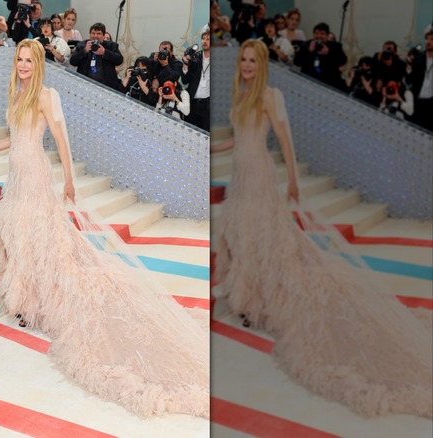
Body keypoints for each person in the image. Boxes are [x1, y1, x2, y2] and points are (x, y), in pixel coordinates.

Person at [0, 38, 209, 418]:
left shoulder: (46, 95)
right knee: (19, 238)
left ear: (39, 63)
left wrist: (70, 180)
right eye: (20, 59)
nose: (23, 65)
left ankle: (41, 301)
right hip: (16, 176)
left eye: (29, 60)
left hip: (36, 177)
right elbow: (12, 140)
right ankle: (28, 303)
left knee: (41, 239)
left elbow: (60, 139)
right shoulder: (16, 93)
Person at [212, 39, 432, 418]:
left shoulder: (270, 94)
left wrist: (294, 181)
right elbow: (237, 139)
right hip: (241, 177)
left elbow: (285, 140)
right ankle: (250, 302)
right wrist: (212, 147)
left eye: (252, 61)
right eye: (243, 60)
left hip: (261, 178)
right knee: (242, 237)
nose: (246, 66)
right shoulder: (241, 93)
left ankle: (262, 302)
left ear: (262, 63)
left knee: (266, 239)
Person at [69, 22, 123, 91]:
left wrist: (104, 52)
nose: (95, 36)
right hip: (85, 85)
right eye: (93, 33)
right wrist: (85, 51)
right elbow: (72, 61)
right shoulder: (82, 45)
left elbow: (119, 60)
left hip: (106, 86)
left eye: (98, 33)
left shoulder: (111, 46)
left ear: (103, 35)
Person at [294, 22, 347, 90]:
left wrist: (328, 53)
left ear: (327, 36)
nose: (319, 36)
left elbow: (343, 60)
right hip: (308, 82)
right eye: (316, 33)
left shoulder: (335, 47)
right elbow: (297, 62)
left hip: (328, 83)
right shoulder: (306, 45)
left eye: (322, 34)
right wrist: (309, 51)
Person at [181, 27, 210, 130]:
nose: (205, 41)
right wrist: (185, 64)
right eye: (203, 38)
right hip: (193, 104)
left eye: (208, 39)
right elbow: (185, 80)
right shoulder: (195, 57)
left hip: (208, 106)